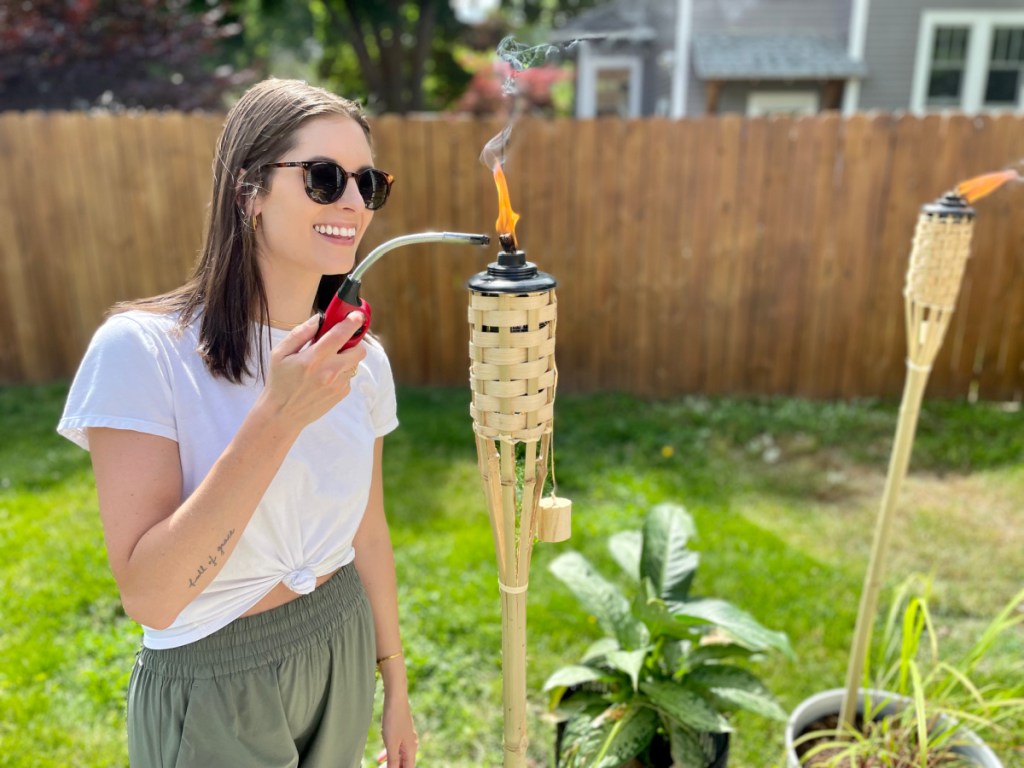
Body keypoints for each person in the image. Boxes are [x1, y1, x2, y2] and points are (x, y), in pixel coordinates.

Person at [58, 78, 417, 768]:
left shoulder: (360, 362)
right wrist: (278, 417)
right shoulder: (142, 351)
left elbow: (368, 530)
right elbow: (153, 597)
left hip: (338, 637)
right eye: (322, 177)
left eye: (369, 183)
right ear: (247, 190)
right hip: (213, 676)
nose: (352, 202)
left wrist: (393, 677)